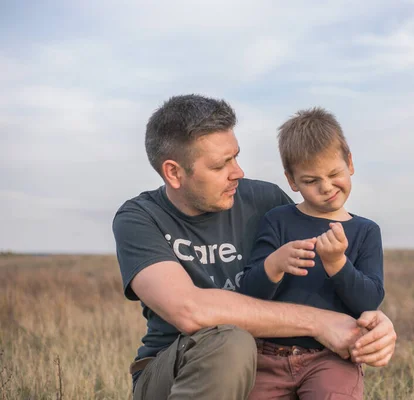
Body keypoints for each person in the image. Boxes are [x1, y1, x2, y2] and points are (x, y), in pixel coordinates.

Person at [112, 94, 397, 400]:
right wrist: (319, 322)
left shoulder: (265, 201)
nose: (239, 172)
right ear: (174, 172)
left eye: (235, 156)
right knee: (232, 342)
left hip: (265, 366)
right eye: (222, 165)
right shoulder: (139, 218)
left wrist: (375, 322)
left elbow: (317, 278)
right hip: (170, 373)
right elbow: (189, 310)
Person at [239, 107, 384, 399]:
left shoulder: (366, 231)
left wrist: (337, 263)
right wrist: (274, 264)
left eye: (334, 173)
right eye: (310, 180)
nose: (326, 187)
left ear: (350, 163)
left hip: (332, 357)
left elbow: (369, 301)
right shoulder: (277, 220)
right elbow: (249, 296)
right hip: (268, 357)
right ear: (292, 181)